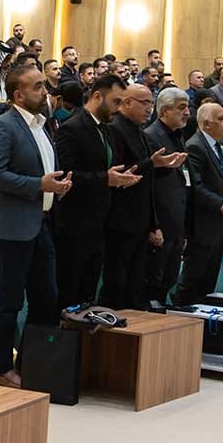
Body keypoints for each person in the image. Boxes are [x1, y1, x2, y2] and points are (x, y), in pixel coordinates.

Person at [0, 64, 71, 388]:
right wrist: (39, 185)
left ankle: (32, 363)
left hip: (41, 223)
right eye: (37, 87)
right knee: (11, 301)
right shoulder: (2, 125)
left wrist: (57, 186)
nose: (45, 91)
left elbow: (45, 171)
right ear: (18, 95)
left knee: (47, 298)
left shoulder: (43, 125)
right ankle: (1, 367)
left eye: (44, 85)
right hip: (12, 228)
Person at [51, 73, 138, 307]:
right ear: (97, 96)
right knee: (70, 292)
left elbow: (109, 168)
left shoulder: (106, 129)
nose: (119, 108)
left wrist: (122, 178)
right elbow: (66, 174)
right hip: (74, 223)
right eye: (116, 101)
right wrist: (106, 179)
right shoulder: (72, 128)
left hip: (99, 222)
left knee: (88, 294)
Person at [101, 83, 184, 309]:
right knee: (117, 285)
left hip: (140, 221)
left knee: (134, 286)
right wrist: (151, 164)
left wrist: (153, 224)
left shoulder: (139, 131)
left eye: (151, 103)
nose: (149, 108)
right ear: (127, 103)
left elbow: (149, 185)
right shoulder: (115, 129)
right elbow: (120, 173)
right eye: (144, 103)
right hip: (120, 220)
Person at [176, 101, 223, 305]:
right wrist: (222, 204)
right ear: (206, 124)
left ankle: (205, 319)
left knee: (208, 281)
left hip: (216, 223)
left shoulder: (216, 146)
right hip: (201, 224)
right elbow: (196, 188)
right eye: (221, 119)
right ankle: (185, 317)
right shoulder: (195, 146)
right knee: (193, 280)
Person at [143, 87, 192, 305]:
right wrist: (154, 225)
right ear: (164, 111)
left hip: (176, 222)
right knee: (153, 280)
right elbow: (149, 187)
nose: (187, 112)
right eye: (181, 108)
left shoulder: (178, 134)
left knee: (169, 278)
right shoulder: (151, 136)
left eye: (188, 107)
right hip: (161, 222)